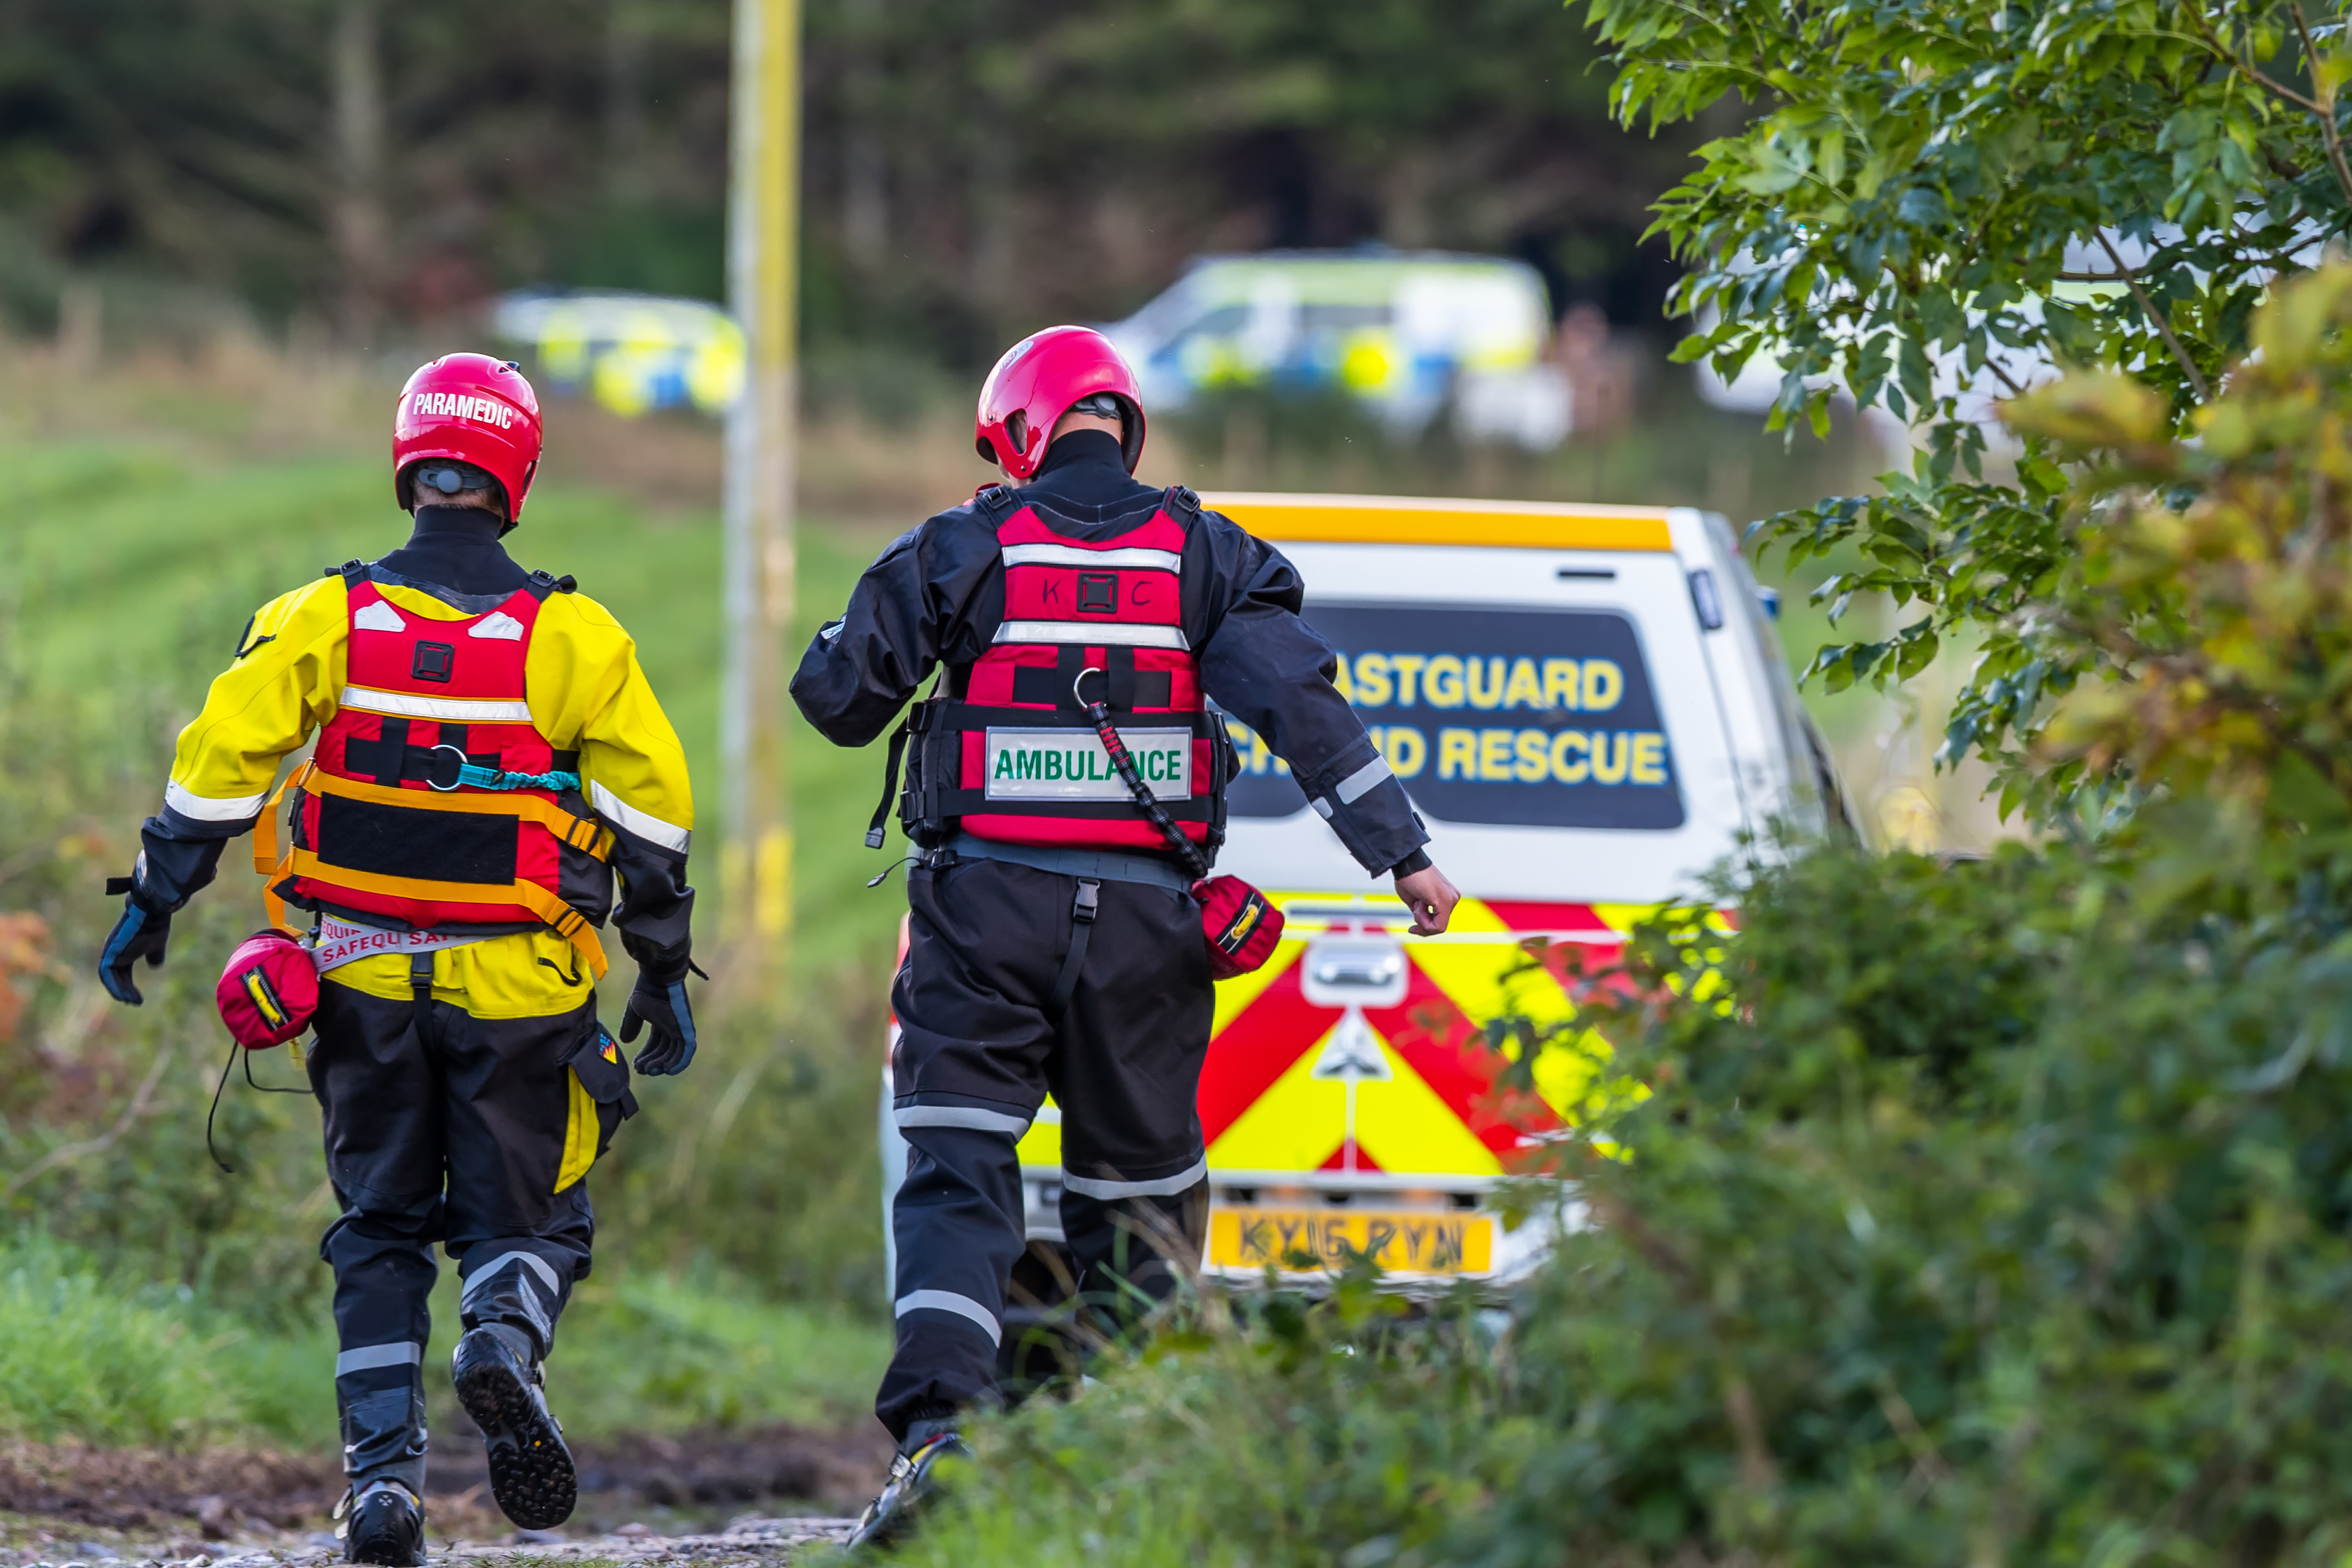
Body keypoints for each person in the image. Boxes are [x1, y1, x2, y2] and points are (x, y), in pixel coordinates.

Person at [791, 324, 1461, 1547]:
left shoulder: (963, 543)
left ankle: (941, 1435)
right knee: (1139, 1199)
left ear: (1016, 436)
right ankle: (1134, 1448)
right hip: (1149, 931)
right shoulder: (1205, 553)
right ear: (1124, 426)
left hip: (982, 915)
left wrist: (853, 629)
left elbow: (840, 702)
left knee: (958, 1173)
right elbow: (1302, 707)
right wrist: (1403, 853)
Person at [96, 354, 700, 1567]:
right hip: (524, 991)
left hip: (359, 980)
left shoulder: (327, 615)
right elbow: (655, 822)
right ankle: (501, 1335)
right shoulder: (577, 636)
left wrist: (156, 898)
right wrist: (663, 969)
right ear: (515, 474)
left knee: (376, 1229)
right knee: (537, 1216)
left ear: (409, 463)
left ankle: (382, 1490)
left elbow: (218, 762)